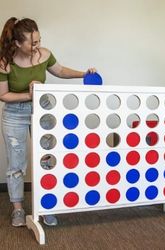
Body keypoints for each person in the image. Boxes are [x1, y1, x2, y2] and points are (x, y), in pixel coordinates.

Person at [0, 17, 96, 227]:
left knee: (48, 159)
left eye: (39, 40)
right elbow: (4, 95)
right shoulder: (5, 62)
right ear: (17, 43)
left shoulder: (44, 54)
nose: (37, 46)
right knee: (16, 164)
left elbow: (60, 71)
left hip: (42, 109)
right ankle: (18, 209)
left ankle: (46, 206)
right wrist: (30, 93)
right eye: (32, 43)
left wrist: (83, 74)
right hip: (14, 113)